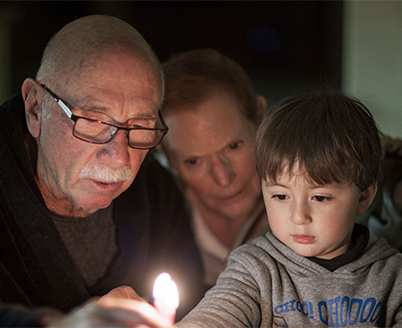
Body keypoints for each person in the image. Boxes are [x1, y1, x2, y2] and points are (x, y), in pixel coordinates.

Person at [126, 92, 402, 327]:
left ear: (364, 196)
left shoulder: (393, 277)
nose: (298, 217)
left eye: (320, 198)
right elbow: (216, 315)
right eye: (281, 195)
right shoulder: (255, 269)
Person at [0, 15, 204, 326]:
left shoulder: (157, 194)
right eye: (94, 121)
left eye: (140, 126)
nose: (120, 158)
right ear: (35, 109)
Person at [158, 48, 270, 291]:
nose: (222, 178)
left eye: (233, 146)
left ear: (261, 118)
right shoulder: (157, 221)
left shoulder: (315, 206)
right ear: (166, 157)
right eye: (194, 161)